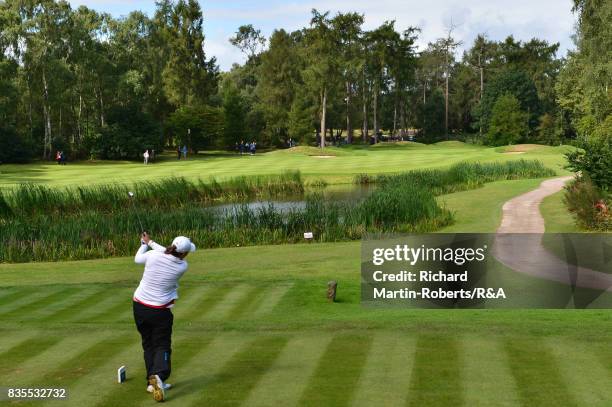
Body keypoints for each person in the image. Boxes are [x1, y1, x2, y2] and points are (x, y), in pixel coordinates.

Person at [133, 233, 196, 402]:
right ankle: (159, 375)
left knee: (148, 344)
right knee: (162, 345)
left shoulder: (153, 255)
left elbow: (138, 259)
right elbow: (167, 253)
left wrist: (145, 243)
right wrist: (151, 242)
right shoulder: (182, 266)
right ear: (184, 253)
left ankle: (151, 382)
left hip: (139, 306)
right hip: (159, 311)